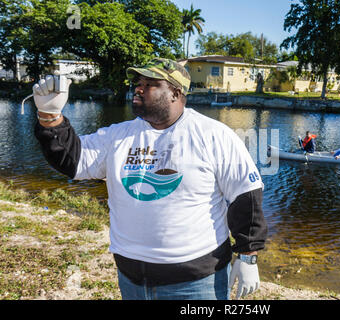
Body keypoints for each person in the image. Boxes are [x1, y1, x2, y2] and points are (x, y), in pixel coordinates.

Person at [32, 58, 268, 300]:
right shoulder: (117, 136)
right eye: (138, 82)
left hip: (196, 283)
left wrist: (248, 254)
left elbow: (245, 196)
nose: (138, 88)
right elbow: (74, 160)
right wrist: (50, 116)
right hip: (131, 279)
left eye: (150, 83)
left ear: (175, 93)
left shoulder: (214, 136)